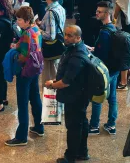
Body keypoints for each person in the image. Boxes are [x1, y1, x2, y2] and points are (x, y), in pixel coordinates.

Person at [45, 25, 90, 162]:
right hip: (80, 95)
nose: (66, 37)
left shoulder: (77, 56)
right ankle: (82, 152)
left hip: (75, 97)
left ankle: (70, 157)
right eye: (65, 34)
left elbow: (66, 82)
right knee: (81, 123)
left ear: (78, 37)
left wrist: (52, 85)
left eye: (70, 35)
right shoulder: (78, 48)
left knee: (73, 127)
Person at [6, 5, 44, 146]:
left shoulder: (26, 33)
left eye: (20, 20)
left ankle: (21, 136)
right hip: (36, 68)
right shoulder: (36, 29)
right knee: (35, 98)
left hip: (25, 71)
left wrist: (15, 57)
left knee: (22, 103)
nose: (17, 22)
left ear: (28, 20)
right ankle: (39, 127)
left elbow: (24, 56)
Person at [88, 1, 120, 135]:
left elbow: (101, 55)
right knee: (112, 98)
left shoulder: (104, 33)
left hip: (104, 71)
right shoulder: (114, 29)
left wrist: (91, 52)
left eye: (99, 12)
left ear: (107, 14)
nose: (96, 13)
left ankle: (94, 126)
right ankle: (111, 125)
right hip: (115, 69)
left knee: (97, 97)